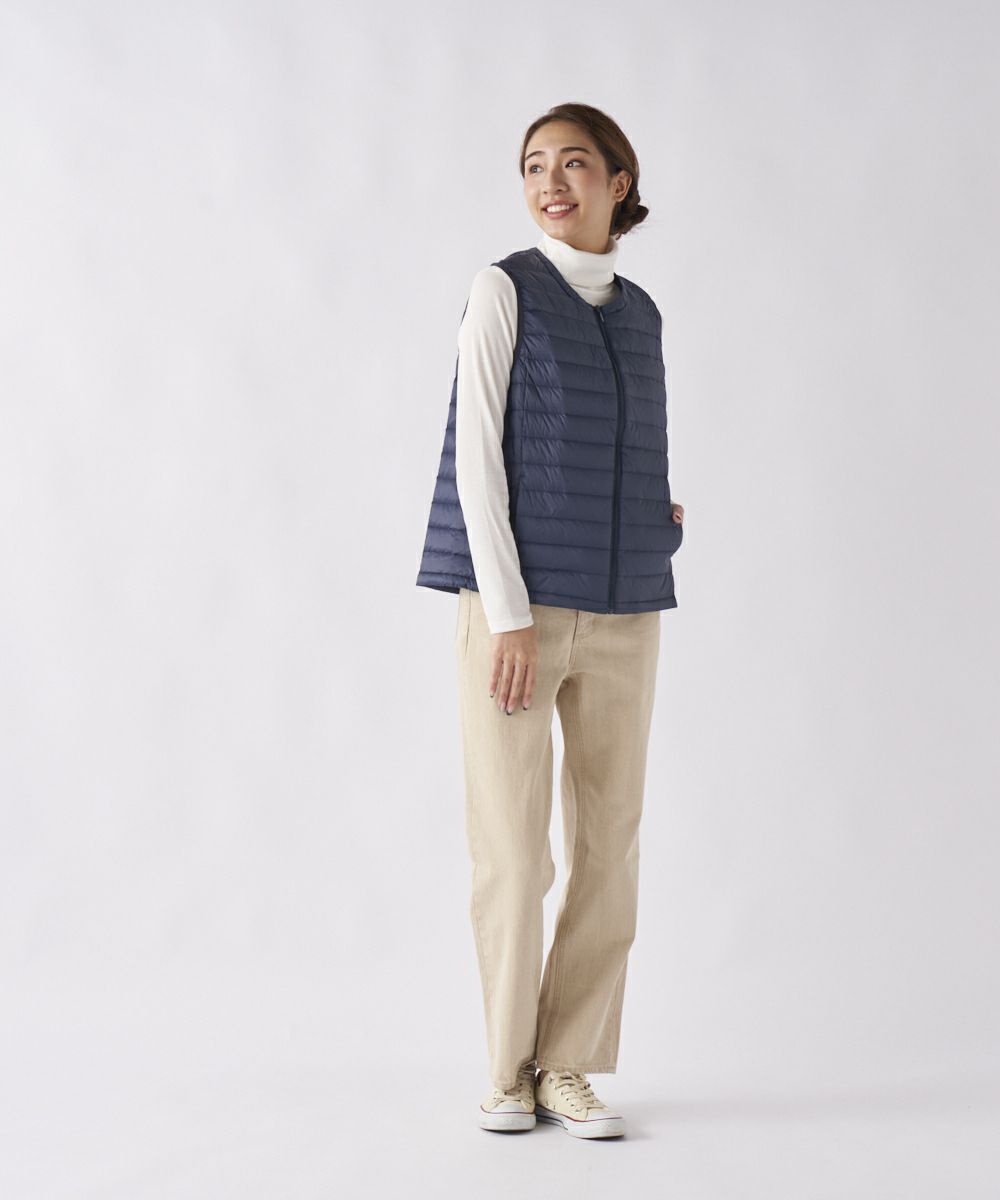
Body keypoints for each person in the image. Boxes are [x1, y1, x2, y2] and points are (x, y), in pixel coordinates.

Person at [416, 102, 685, 1139]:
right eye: (534, 165)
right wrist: (510, 617)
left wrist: (658, 514)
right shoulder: (504, 290)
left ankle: (568, 1063)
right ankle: (505, 1071)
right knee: (514, 852)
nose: (550, 181)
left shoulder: (642, 314)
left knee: (611, 845)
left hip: (625, 613)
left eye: (574, 163)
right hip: (514, 617)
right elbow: (476, 457)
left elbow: (626, 443)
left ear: (619, 183)